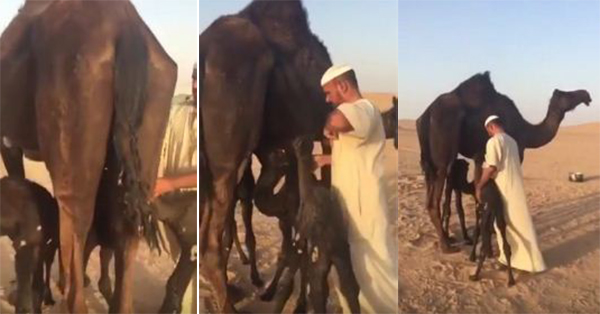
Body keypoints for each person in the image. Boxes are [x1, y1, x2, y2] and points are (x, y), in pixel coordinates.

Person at [318, 64, 398, 314]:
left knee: (374, 265)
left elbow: (337, 121)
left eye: (329, 92)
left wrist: (327, 123)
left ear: (343, 85)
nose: (328, 99)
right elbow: (351, 154)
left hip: (363, 206)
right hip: (351, 203)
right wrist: (323, 161)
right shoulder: (357, 116)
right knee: (353, 263)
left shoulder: (362, 109)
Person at [153, 63, 198, 313]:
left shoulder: (214, 119)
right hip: (167, 200)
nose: (195, 85)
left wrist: (168, 184)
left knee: (188, 268)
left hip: (193, 205)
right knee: (179, 257)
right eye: (194, 78)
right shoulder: (178, 108)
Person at [476, 115, 546, 273]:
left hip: (504, 188)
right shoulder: (512, 141)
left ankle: (509, 260)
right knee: (520, 223)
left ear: (491, 127)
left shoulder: (494, 141)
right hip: (516, 188)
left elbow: (492, 167)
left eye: (487, 130)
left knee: (502, 223)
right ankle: (526, 261)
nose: (488, 133)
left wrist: (479, 185)